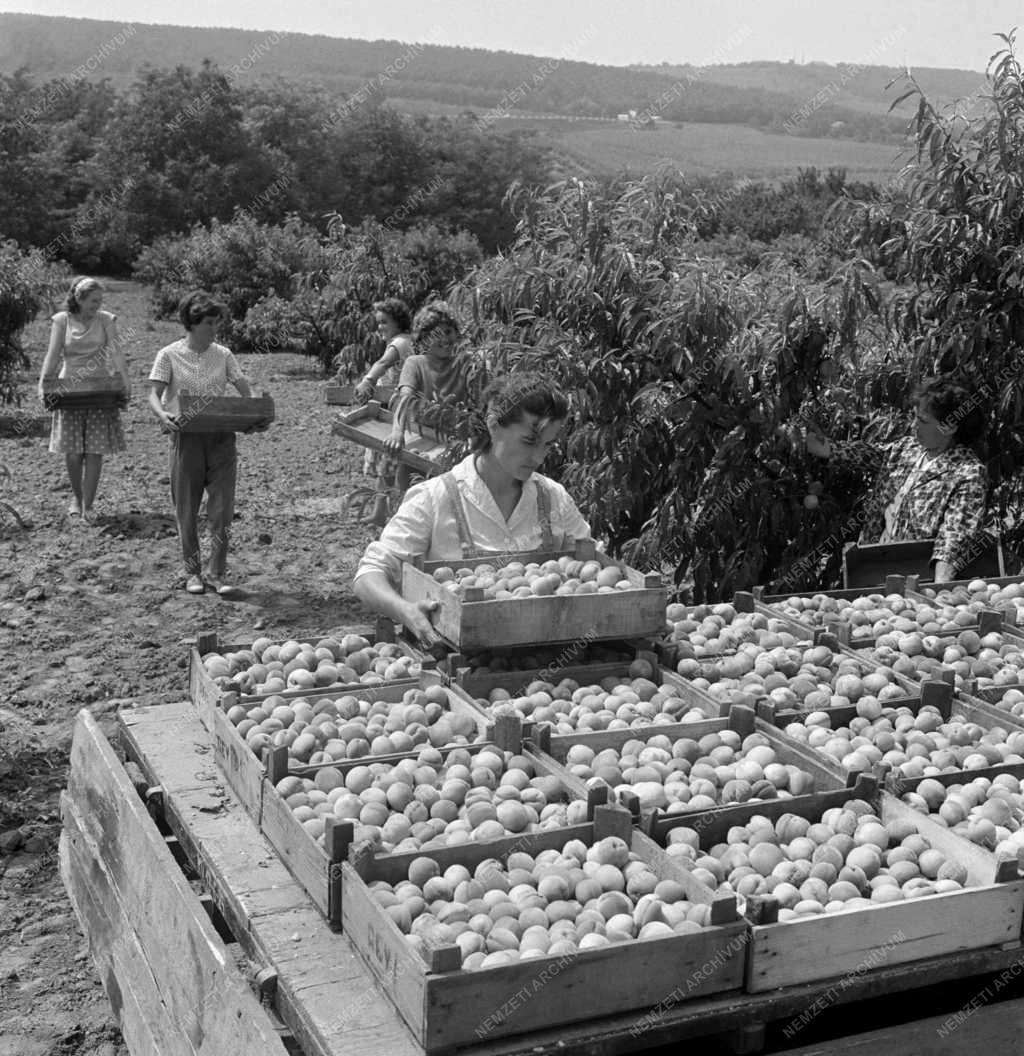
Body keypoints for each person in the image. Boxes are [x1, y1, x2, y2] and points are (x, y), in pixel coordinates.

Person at [355, 372, 591, 646]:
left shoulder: (553, 498)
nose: (539, 457)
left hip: (547, 663)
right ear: (493, 425)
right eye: (528, 441)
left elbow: (591, 562)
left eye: (547, 445)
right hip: (456, 667)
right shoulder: (435, 498)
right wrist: (406, 611)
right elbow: (368, 576)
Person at [804, 376, 989, 582]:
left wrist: (940, 587)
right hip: (875, 565)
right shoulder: (907, 449)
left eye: (923, 421)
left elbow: (956, 534)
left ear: (950, 427)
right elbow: (867, 454)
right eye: (915, 417)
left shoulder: (967, 472)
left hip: (919, 576)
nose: (914, 426)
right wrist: (819, 445)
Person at [147, 291, 260, 596]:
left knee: (222, 509)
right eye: (209, 322)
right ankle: (192, 572)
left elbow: (242, 387)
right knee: (187, 508)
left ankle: (218, 573)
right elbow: (153, 395)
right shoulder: (168, 354)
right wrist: (163, 416)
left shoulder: (223, 354)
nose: (214, 328)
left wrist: (249, 413)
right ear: (192, 323)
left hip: (221, 436)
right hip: (186, 438)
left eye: (216, 322)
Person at [37, 276, 130, 523]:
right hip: (69, 391)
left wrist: (125, 381)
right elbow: (53, 354)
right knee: (73, 452)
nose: (97, 305)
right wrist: (44, 383)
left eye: (100, 300)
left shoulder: (106, 320)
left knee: (95, 450)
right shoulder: (61, 320)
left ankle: (88, 504)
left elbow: (116, 351)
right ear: (78, 298)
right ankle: (76, 498)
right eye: (93, 300)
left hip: (100, 390)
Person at [354, 298, 414, 526]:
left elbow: (382, 363)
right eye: (378, 323)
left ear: (398, 322)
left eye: (384, 322)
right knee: (385, 468)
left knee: (389, 466)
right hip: (397, 408)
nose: (380, 327)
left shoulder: (398, 343)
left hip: (397, 412)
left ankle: (394, 517)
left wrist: (366, 381)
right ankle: (380, 513)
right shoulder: (406, 341)